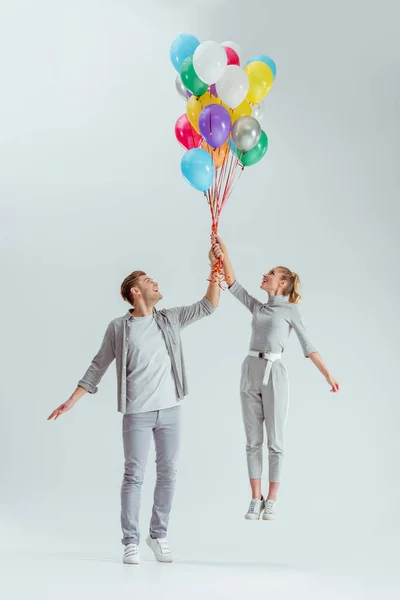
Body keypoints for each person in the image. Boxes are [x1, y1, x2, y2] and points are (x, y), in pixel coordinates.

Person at [48, 246, 221, 564]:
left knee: (168, 473)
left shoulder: (170, 319)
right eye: (149, 280)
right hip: (137, 413)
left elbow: (208, 305)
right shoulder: (119, 328)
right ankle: (130, 540)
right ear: (135, 291)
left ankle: (158, 535)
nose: (156, 283)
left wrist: (215, 269)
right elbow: (98, 364)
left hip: (170, 410)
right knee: (134, 475)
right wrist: (73, 399)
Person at [211, 235, 339, 521]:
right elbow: (233, 284)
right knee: (252, 439)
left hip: (275, 374)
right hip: (250, 370)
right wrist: (224, 252)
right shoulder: (259, 307)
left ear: (282, 283)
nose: (265, 275)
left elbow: (308, 345)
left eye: (270, 274)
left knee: (275, 441)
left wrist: (327, 374)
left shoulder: (290, 311)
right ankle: (254, 498)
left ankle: (272, 499)